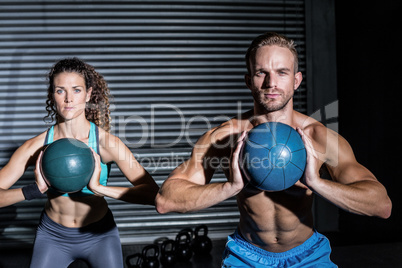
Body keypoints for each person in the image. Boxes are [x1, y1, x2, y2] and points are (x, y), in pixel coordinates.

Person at [155, 32, 392, 267]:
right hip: (247, 256)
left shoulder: (319, 137)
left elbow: (381, 205)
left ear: (296, 80)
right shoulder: (224, 137)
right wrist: (231, 187)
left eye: (282, 72)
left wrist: (316, 183)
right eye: (261, 73)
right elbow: (166, 200)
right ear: (249, 80)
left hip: (308, 256)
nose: (271, 83)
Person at [0, 57, 159, 268]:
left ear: (88, 94)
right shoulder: (36, 146)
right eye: (60, 90)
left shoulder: (106, 144)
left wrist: (100, 188)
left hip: (99, 235)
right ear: (51, 95)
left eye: (76, 90)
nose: (68, 99)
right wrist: (33, 190)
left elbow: (153, 194)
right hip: (53, 236)